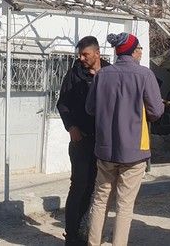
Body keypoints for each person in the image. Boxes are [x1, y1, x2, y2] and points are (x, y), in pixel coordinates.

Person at [85, 32, 164, 246]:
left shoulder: (102, 75)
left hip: (105, 149)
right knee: (124, 205)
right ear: (132, 50)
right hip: (134, 150)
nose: (140, 53)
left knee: (100, 201)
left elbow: (90, 108)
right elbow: (157, 111)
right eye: (139, 49)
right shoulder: (145, 75)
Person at [57, 36, 111, 246]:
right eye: (79, 54)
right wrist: (71, 127)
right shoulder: (74, 74)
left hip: (103, 142)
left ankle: (90, 233)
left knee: (97, 189)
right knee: (79, 186)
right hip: (80, 141)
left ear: (97, 53)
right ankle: (71, 236)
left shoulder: (109, 72)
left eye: (85, 54)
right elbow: (63, 104)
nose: (81, 58)